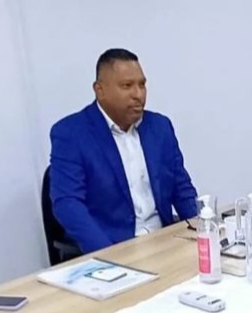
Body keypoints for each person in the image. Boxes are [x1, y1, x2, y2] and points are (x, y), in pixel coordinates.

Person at [49, 48, 198, 254]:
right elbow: (68, 204)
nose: (138, 95)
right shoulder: (71, 134)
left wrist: (203, 228)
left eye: (142, 85)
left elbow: (181, 188)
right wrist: (109, 255)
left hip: (163, 241)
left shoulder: (160, 127)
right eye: (127, 86)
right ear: (100, 90)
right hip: (114, 247)